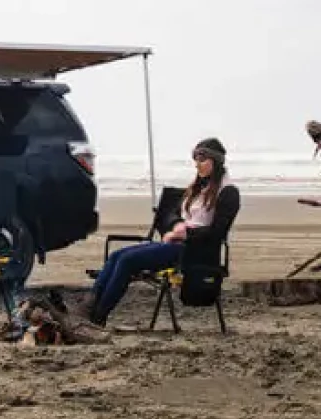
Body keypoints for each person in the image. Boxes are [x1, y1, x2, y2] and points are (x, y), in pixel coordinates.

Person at [87, 137, 241, 326]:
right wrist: (176, 225)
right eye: (195, 159)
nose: (197, 165)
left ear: (215, 161)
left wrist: (184, 234)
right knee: (116, 255)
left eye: (202, 159)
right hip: (177, 244)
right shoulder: (199, 187)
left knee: (128, 261)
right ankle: (88, 307)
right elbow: (173, 213)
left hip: (195, 252)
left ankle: (98, 317)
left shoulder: (228, 192)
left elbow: (217, 233)